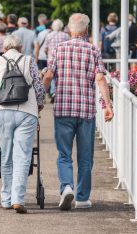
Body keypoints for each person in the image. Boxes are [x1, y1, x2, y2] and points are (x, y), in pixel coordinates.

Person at [43, 13, 113, 211]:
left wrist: (40, 99)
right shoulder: (93, 50)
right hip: (85, 111)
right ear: (87, 30)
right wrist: (108, 105)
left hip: (63, 109)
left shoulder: (58, 49)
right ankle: (82, 198)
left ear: (69, 29)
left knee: (64, 154)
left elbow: (48, 75)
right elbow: (100, 78)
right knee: (85, 156)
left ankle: (66, 187)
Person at [0, 35, 45, 214]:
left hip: (2, 111)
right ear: (20, 48)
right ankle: (18, 199)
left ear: (4, 48)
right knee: (22, 157)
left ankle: (6, 199)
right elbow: (39, 88)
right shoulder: (29, 61)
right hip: (27, 112)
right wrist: (40, 105)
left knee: (6, 155)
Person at [44, 19, 70, 103]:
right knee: (61, 77)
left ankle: (53, 92)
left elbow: (45, 48)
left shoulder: (49, 35)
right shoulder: (65, 36)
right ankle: (60, 93)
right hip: (63, 59)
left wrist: (47, 54)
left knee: (52, 76)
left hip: (51, 58)